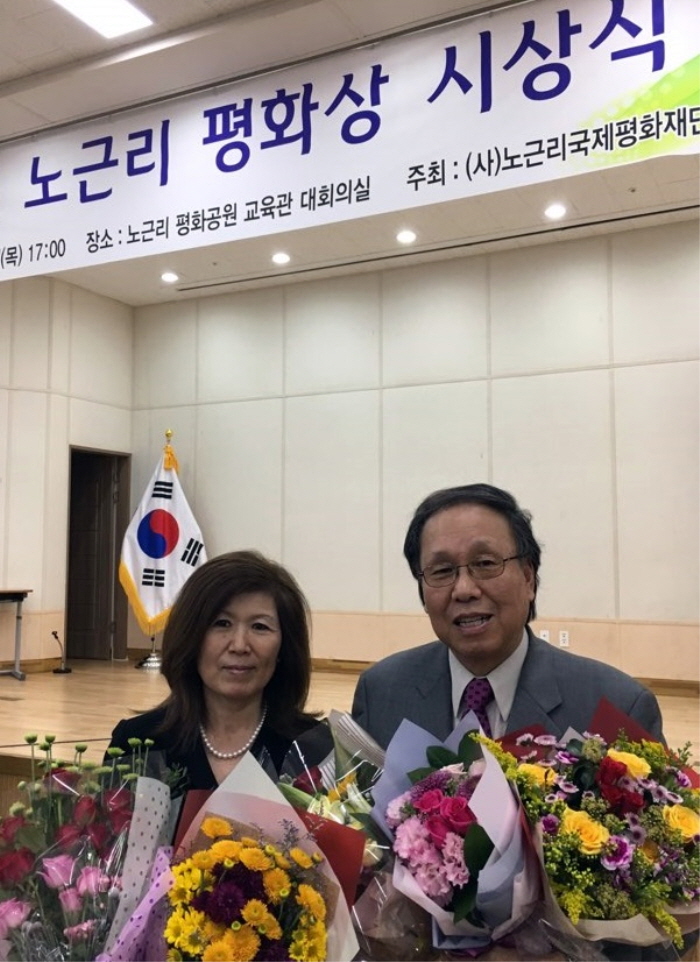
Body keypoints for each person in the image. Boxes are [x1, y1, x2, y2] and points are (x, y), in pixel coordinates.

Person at [352, 483, 664, 749]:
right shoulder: (381, 691)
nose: (464, 589)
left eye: (485, 563)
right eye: (442, 570)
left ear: (528, 578)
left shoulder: (618, 708)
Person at [108, 549, 332, 788]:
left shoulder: (314, 748)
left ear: (284, 647)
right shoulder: (138, 743)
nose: (239, 645)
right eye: (221, 623)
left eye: (260, 627)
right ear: (191, 636)